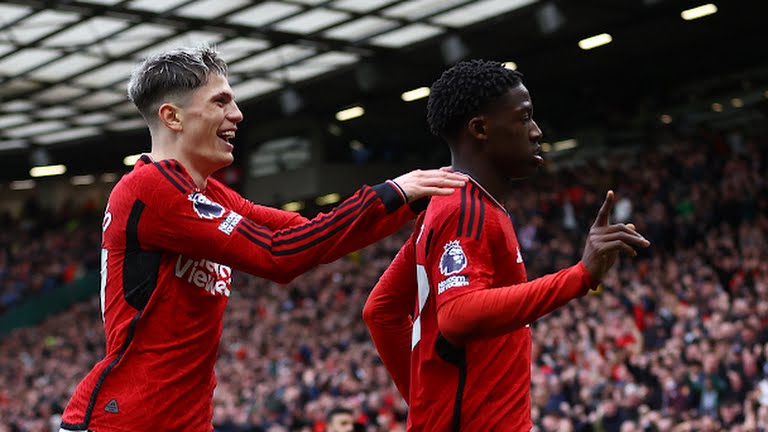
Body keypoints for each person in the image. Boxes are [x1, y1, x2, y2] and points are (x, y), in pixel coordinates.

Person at [59, 46, 466, 432]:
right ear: (173, 117)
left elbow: (306, 234)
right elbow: (277, 256)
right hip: (122, 421)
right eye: (220, 102)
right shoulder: (151, 188)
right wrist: (392, 194)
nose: (237, 114)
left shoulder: (209, 195)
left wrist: (407, 200)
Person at [363, 60, 650, 431]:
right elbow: (457, 315)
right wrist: (579, 276)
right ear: (480, 129)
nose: (536, 131)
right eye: (524, 117)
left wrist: (429, 407)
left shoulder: (448, 202)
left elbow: (380, 311)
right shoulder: (465, 208)